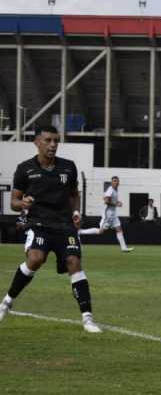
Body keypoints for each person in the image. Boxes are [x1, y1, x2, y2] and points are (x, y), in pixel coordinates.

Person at [0, 125, 101, 333]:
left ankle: (88, 318)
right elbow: (13, 202)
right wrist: (23, 203)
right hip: (39, 224)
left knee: (74, 262)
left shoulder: (68, 167)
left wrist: (76, 213)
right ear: (36, 142)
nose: (53, 145)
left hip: (64, 226)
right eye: (48, 140)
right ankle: (6, 302)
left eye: (56, 140)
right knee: (36, 259)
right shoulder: (24, 169)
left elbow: (74, 194)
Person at [79, 176, 134, 252]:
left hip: (113, 214)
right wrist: (116, 204)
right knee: (100, 231)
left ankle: (123, 248)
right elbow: (106, 201)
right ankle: (80, 231)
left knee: (119, 229)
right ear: (112, 182)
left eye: (117, 181)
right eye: (114, 181)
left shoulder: (115, 190)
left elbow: (108, 200)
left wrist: (117, 203)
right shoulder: (110, 190)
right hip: (107, 214)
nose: (116, 182)